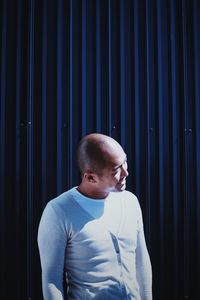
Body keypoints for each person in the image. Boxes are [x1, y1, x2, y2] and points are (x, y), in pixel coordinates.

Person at [38, 133, 152, 300]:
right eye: (116, 170)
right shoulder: (59, 211)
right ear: (90, 177)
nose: (126, 172)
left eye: (124, 162)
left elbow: (141, 262)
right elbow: (52, 280)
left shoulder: (130, 201)